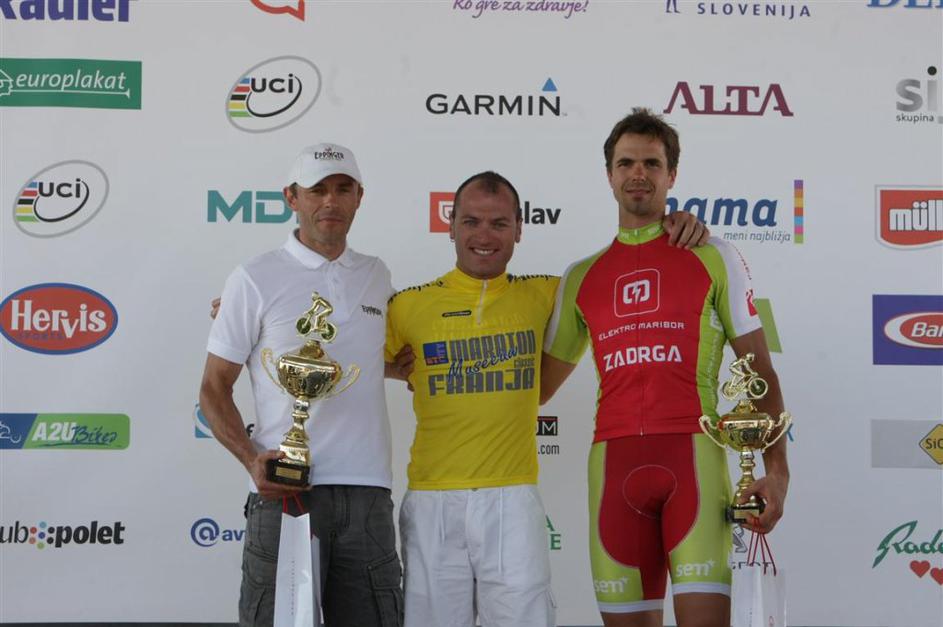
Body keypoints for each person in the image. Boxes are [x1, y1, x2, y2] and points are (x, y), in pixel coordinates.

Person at [385, 171, 709, 627]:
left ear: (520, 229)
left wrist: (670, 227)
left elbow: (622, 272)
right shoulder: (406, 306)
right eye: (471, 221)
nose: (484, 236)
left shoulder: (550, 293)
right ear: (450, 225)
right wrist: (398, 369)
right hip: (431, 498)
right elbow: (352, 360)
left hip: (513, 497)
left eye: (499, 223)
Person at [540, 108, 790, 627]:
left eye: (651, 163)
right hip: (613, 468)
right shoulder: (581, 276)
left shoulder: (713, 255)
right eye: (626, 163)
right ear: (608, 174)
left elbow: (759, 369)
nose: (638, 174)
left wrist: (778, 472)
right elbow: (537, 388)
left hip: (693, 461)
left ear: (672, 174)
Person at [199, 143, 403, 627]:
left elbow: (375, 360)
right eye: (317, 190)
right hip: (285, 491)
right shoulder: (253, 277)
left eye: (343, 189)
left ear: (359, 197)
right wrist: (251, 460)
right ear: (292, 197)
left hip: (368, 491)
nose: (330, 201)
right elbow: (212, 388)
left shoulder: (377, 275)